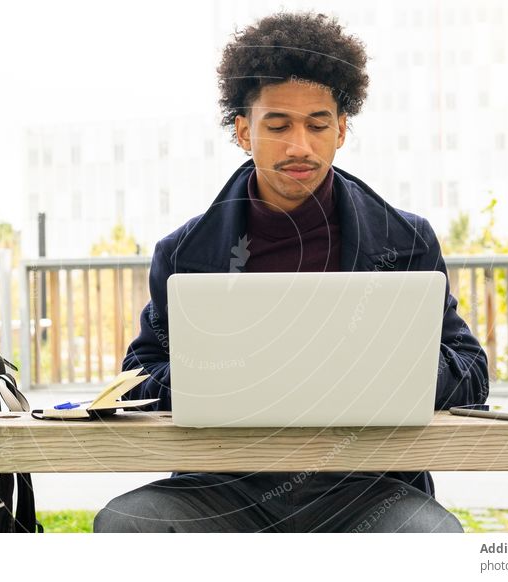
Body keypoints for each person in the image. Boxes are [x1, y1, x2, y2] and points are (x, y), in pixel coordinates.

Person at [93, 11, 488, 533]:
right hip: (220, 487)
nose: (299, 145)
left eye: (318, 124)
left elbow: (471, 370)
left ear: (341, 130)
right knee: (127, 524)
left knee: (429, 538)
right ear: (243, 131)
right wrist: (229, 377)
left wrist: (389, 372)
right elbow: (140, 379)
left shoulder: (404, 240)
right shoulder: (185, 252)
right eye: (277, 126)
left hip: (366, 488)